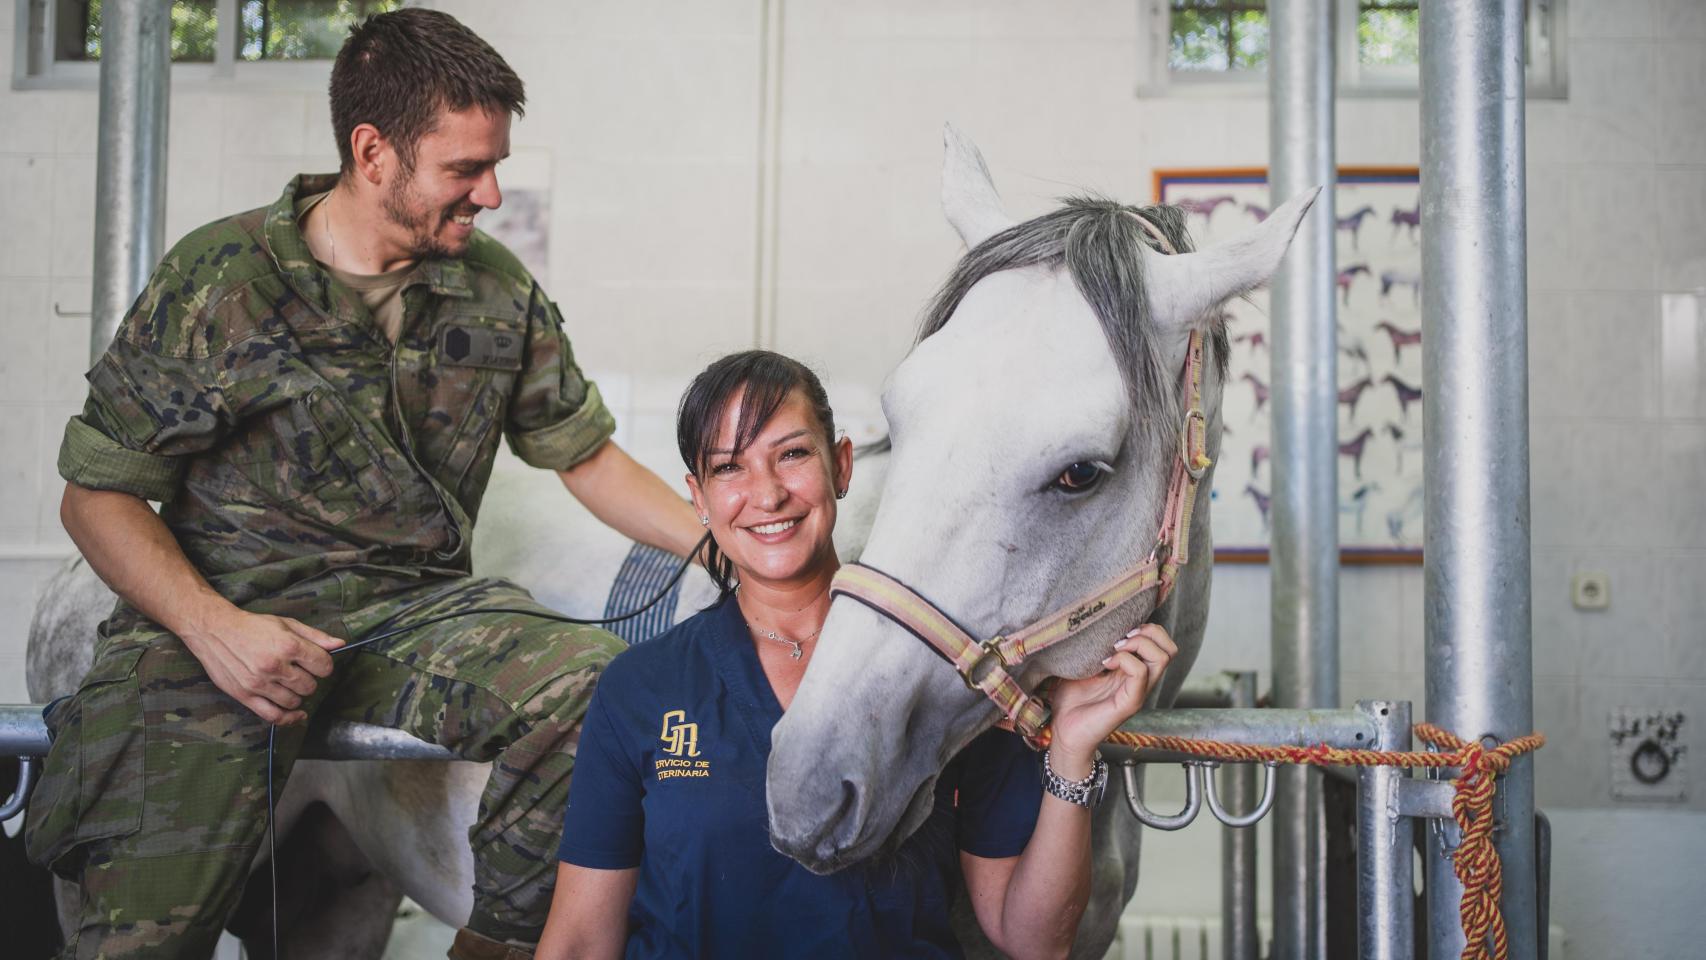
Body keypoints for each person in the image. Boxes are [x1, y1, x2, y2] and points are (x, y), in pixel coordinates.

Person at [24, 9, 702, 960]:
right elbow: (94, 497)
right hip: (223, 628)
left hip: (413, 618)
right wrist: (216, 631)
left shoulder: (494, 288)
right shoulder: (221, 281)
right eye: (466, 170)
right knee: (138, 942)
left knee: (599, 688)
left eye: (496, 164)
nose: (493, 194)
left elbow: (583, 453)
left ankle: (497, 946)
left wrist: (729, 549)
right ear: (373, 152)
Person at [534, 351, 1177, 959]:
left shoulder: (948, 666)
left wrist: (1070, 751)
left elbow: (1035, 940)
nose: (766, 494)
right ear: (699, 498)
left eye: (791, 454)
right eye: (728, 468)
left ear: (841, 466)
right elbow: (579, 943)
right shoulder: (642, 687)